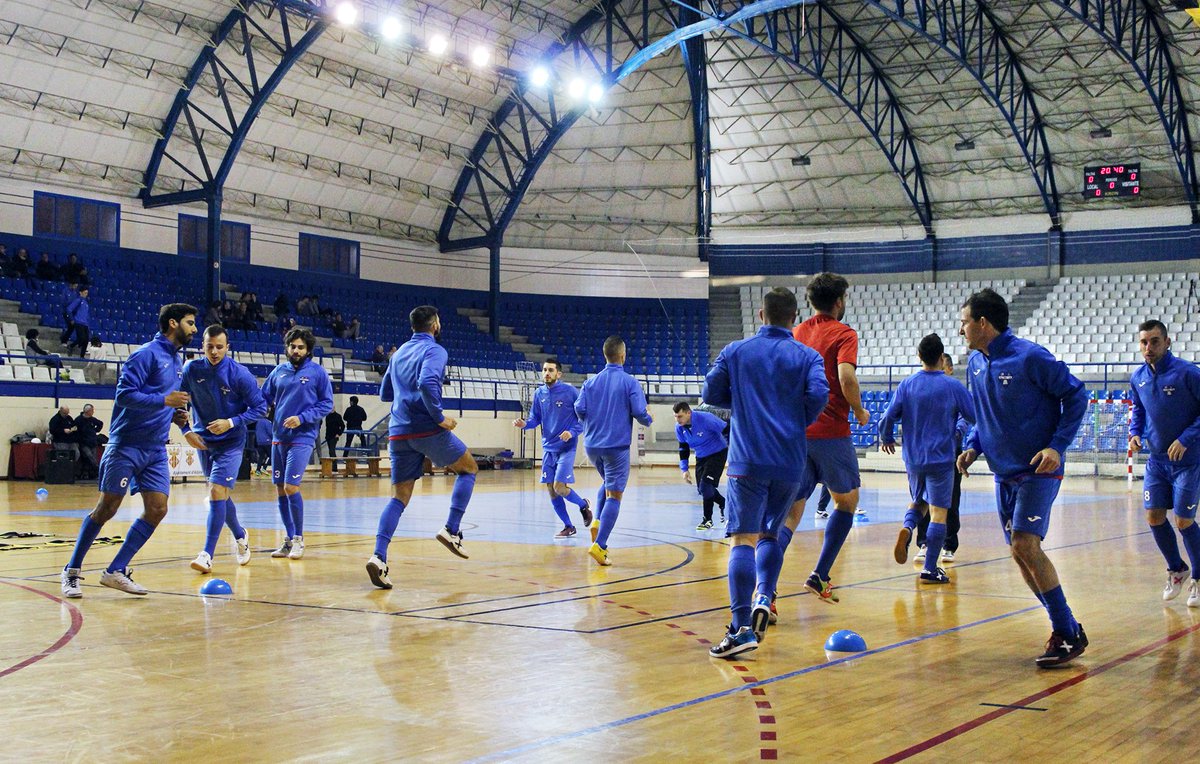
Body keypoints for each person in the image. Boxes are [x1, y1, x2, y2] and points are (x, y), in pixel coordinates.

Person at [957, 288, 1088, 667]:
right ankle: (1067, 629)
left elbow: (1076, 395)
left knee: (1027, 545)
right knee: (1019, 553)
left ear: (983, 323)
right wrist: (973, 446)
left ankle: (1065, 630)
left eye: (965, 322)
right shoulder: (976, 365)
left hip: (1038, 470)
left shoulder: (1030, 357)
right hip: (1003, 473)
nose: (961, 329)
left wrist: (1057, 446)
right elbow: (984, 416)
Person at [703, 287, 828, 657]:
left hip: (747, 462)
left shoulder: (736, 351)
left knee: (742, 539)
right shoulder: (808, 356)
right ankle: (764, 595)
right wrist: (797, 418)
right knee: (771, 534)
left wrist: (741, 400)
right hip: (790, 461)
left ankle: (741, 627)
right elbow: (820, 395)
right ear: (795, 318)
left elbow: (711, 391)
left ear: (761, 315)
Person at [59, 303, 198, 598]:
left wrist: (174, 414)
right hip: (126, 445)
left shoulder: (176, 361)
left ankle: (115, 570)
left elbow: (163, 400)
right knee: (106, 508)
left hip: (155, 449)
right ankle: (71, 571)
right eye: (190, 322)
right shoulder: (146, 354)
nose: (194, 329)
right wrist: (164, 401)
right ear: (173, 324)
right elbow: (125, 395)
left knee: (158, 509)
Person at [367, 306, 479, 589]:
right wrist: (439, 417)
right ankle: (451, 529)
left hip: (397, 431)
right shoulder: (435, 351)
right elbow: (428, 382)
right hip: (425, 427)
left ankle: (378, 557)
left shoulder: (399, 352)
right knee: (469, 469)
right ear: (435, 324)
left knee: (399, 497)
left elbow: (385, 393)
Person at [780, 273, 871, 605]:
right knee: (847, 502)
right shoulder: (844, 333)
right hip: (831, 431)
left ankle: (767, 594)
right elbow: (846, 376)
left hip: (797, 433)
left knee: (790, 512)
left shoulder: (797, 333)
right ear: (839, 302)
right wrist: (859, 411)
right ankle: (820, 575)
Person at [878, 334, 975, 584]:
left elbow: (888, 416)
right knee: (939, 512)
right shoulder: (953, 386)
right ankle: (930, 568)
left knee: (918, 501)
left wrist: (886, 437)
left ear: (919, 356)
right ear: (942, 358)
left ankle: (908, 528)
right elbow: (974, 416)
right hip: (942, 458)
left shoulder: (907, 384)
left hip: (913, 459)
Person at [180, 325, 268, 574]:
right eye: (210, 347)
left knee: (216, 490)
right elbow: (178, 402)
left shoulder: (240, 375)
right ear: (202, 347)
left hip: (230, 441)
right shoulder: (191, 370)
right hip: (203, 441)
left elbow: (260, 408)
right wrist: (186, 431)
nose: (215, 351)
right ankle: (240, 535)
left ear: (228, 347)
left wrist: (231, 422)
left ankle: (207, 554)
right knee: (220, 495)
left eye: (220, 347)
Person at [1129, 319, 1200, 607]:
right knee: (1154, 518)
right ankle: (1177, 569)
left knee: (1183, 521)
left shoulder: (1188, 373)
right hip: (1156, 462)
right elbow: (1139, 411)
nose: (1149, 347)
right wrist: (1134, 433)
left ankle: (1199, 577)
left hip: (1189, 460)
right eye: (1144, 342)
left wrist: (1185, 438)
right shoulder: (1138, 377)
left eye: (1155, 341)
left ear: (1167, 342)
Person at [574, 335, 653, 566]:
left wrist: (592, 423)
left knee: (607, 484)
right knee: (615, 496)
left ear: (605, 354)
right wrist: (649, 419)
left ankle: (597, 523)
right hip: (616, 447)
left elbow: (579, 408)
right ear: (623, 355)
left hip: (592, 446)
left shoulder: (590, 382)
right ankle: (601, 546)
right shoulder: (630, 382)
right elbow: (639, 411)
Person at [260, 327, 334, 561]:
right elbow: (263, 398)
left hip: (302, 437)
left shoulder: (318, 373)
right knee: (280, 488)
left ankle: (299, 539)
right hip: (278, 437)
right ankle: (289, 539)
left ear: (308, 350)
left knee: (292, 487)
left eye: (301, 347)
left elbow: (326, 404)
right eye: (293, 346)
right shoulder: (278, 372)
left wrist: (302, 418)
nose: (296, 350)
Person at [512, 358, 592, 539]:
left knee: (559, 487)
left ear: (559, 374)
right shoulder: (538, 393)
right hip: (548, 448)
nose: (547, 373)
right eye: (545, 370)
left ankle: (582, 505)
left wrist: (571, 432)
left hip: (566, 448)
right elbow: (535, 419)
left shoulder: (570, 392)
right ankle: (568, 526)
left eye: (550, 370)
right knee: (551, 489)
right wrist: (524, 424)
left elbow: (584, 417)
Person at [915, 352, 966, 562]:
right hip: (926, 451)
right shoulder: (921, 389)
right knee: (921, 498)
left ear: (949, 369)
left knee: (950, 499)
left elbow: (965, 417)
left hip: (950, 452)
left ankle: (949, 544)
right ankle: (923, 542)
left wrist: (956, 434)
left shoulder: (956, 391)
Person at [674, 401, 729, 530]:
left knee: (706, 486)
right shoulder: (679, 427)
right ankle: (723, 503)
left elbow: (727, 428)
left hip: (717, 453)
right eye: (676, 417)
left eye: (680, 416)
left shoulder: (706, 419)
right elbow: (683, 448)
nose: (678, 420)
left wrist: (734, 451)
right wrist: (684, 469)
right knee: (702, 490)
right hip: (701, 456)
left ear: (689, 413)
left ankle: (707, 520)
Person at [73, 404, 104, 480]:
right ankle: (98, 470)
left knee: (91, 458)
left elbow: (100, 423)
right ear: (88, 411)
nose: (93, 412)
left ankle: (90, 474)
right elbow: (75, 431)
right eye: (92, 410)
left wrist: (95, 430)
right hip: (84, 443)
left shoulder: (93, 419)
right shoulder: (78, 420)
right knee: (90, 457)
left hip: (92, 442)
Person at [66, 286, 91, 357]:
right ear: (80, 292)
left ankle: (82, 356)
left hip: (85, 323)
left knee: (86, 340)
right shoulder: (78, 300)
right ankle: (71, 346)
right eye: (85, 293)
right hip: (78, 322)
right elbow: (69, 309)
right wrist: (72, 319)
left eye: (87, 293)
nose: (86, 294)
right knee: (82, 338)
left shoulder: (86, 302)